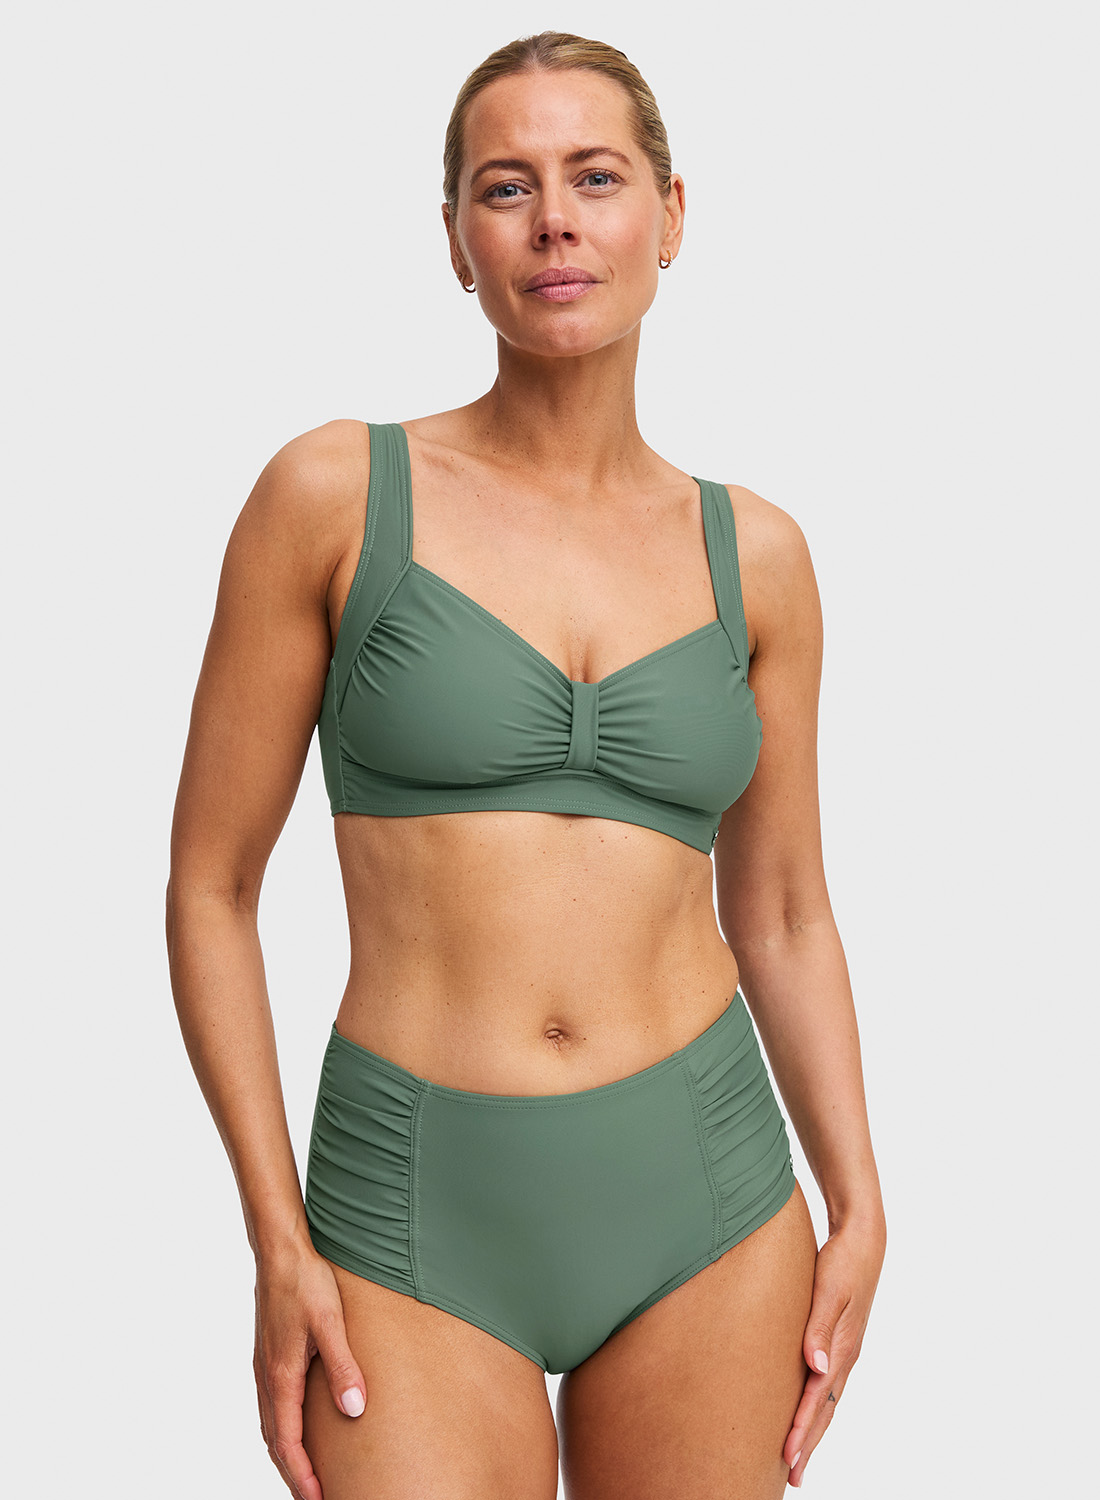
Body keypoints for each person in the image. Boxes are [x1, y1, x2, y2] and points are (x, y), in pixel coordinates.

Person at [166, 28, 886, 1500]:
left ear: (670, 216)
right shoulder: (334, 496)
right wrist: (275, 1238)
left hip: (708, 1196)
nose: (555, 219)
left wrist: (862, 1198)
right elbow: (210, 888)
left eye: (596, 177)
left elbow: (784, 911)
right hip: (409, 1204)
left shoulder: (758, 557)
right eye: (507, 187)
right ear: (455, 239)